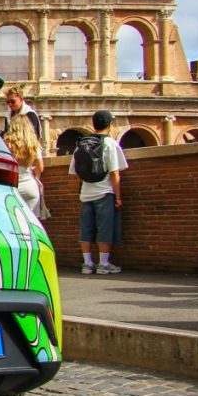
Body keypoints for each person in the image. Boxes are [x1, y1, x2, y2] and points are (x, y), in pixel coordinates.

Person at [69, 109, 128, 275]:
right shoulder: (110, 143)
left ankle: (87, 264)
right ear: (109, 125)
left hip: (85, 194)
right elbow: (115, 173)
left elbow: (75, 172)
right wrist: (118, 197)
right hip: (104, 192)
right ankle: (103, 264)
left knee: (86, 229)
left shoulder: (81, 144)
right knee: (104, 228)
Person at [3, 115, 44, 217]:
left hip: (12, 187)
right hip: (30, 187)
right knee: (32, 222)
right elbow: (40, 167)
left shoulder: (6, 144)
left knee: (13, 221)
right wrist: (32, 171)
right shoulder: (34, 144)